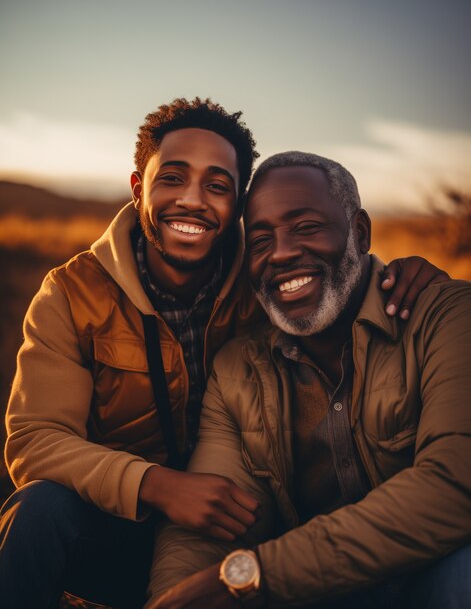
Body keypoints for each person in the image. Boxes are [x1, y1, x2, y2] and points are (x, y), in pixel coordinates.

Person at [0, 96, 447, 609]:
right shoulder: (71, 293)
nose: (192, 200)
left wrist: (394, 273)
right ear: (136, 186)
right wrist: (156, 486)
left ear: (237, 205)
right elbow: (34, 439)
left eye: (217, 185)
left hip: (249, 533)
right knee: (38, 510)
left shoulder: (268, 284)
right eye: (172, 178)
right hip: (123, 523)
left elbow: (330, 273)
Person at [148, 151, 471, 609]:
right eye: (260, 241)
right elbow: (212, 522)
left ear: (359, 232)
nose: (280, 253)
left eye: (306, 227)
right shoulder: (238, 369)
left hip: (430, 579)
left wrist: (255, 576)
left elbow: (454, 484)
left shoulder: (447, 317)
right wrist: (173, 599)